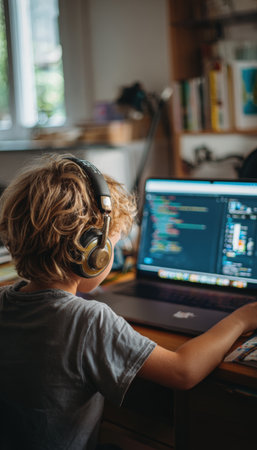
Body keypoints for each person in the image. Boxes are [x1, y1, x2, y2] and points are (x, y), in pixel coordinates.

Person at [0, 153, 256, 450]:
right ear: (93, 255)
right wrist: (242, 318)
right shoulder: (87, 320)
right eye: (115, 243)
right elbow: (182, 371)